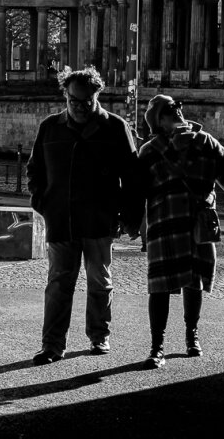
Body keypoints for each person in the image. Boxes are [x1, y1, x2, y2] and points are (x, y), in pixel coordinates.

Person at [26, 66, 147, 365]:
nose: (79, 107)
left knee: (100, 281)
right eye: (73, 101)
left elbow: (133, 177)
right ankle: (52, 345)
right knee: (58, 284)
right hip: (62, 218)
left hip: (99, 219)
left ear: (97, 96)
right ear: (65, 96)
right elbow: (34, 170)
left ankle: (99, 335)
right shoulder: (50, 127)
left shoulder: (115, 127)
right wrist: (44, 202)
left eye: (85, 101)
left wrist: (129, 216)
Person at [137, 93, 224, 367]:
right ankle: (157, 347)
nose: (176, 112)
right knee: (159, 286)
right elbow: (136, 191)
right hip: (164, 225)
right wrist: (128, 222)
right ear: (159, 122)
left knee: (195, 281)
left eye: (176, 108)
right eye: (169, 111)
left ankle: (192, 335)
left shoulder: (205, 142)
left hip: (197, 224)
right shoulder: (150, 151)